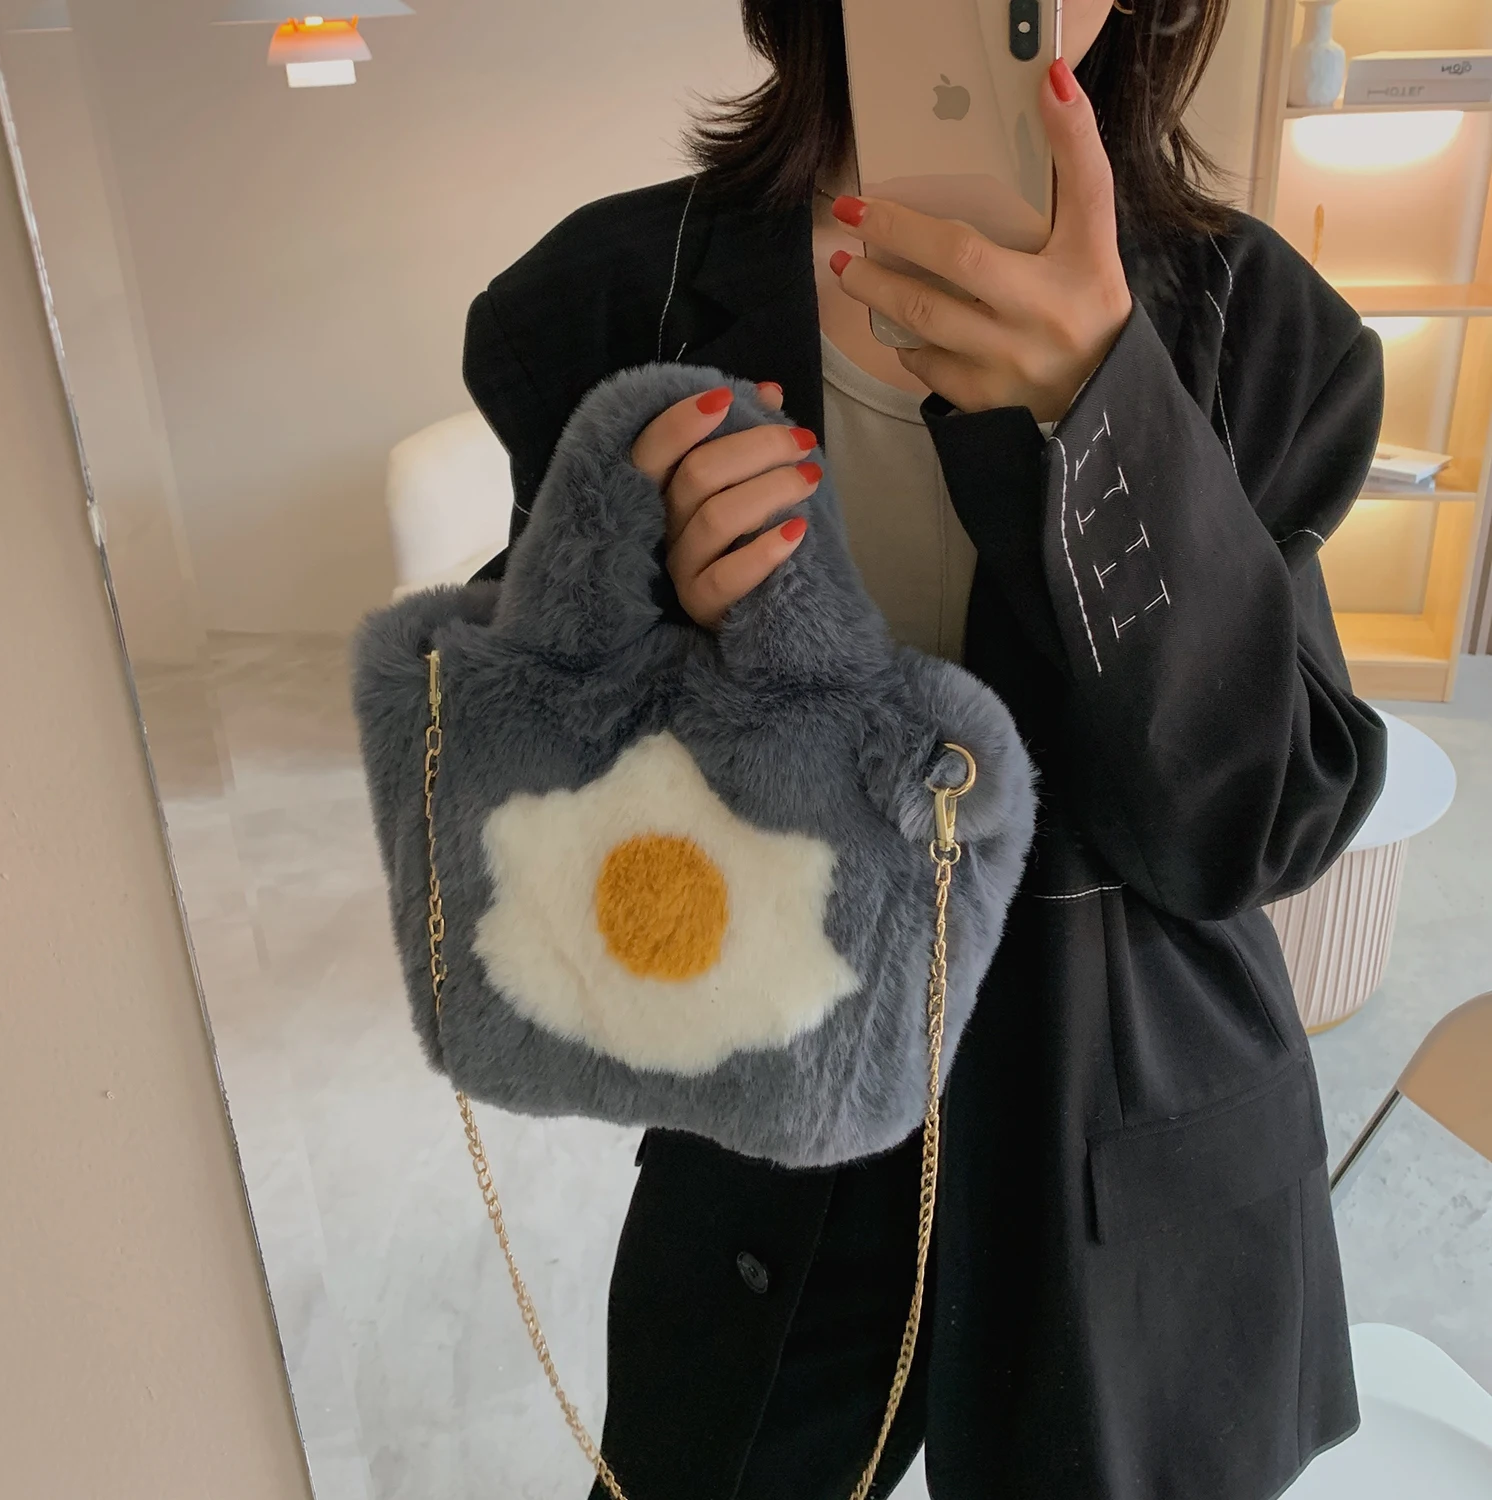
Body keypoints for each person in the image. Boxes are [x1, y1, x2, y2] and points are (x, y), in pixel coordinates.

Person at [462, 1, 1387, 1496]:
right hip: (775, 1146)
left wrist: (1106, 409)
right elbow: (521, 802)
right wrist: (648, 608)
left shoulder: (1251, 324)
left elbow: (1256, 822)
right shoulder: (619, 299)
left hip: (1129, 1149)